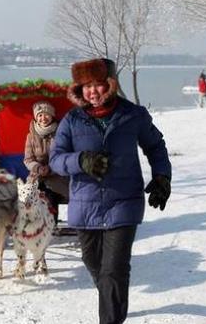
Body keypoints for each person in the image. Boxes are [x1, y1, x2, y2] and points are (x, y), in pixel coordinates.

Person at [50, 58, 172, 324]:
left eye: (98, 84)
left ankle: (111, 317)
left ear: (111, 83)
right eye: (86, 86)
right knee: (93, 262)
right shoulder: (71, 120)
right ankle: (111, 297)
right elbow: (55, 159)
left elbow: (156, 146)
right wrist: (81, 161)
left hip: (124, 201)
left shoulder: (133, 115)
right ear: (79, 89)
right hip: (85, 203)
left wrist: (162, 176)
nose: (92, 91)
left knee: (114, 269)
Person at [23, 100, 69, 228]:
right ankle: (32, 223)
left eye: (46, 114)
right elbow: (28, 159)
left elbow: (63, 155)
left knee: (50, 193)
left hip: (57, 175)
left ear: (52, 115)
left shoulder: (61, 133)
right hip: (36, 175)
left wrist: (51, 168)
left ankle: (50, 224)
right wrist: (37, 168)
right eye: (40, 115)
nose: (43, 118)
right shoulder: (30, 136)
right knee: (32, 193)